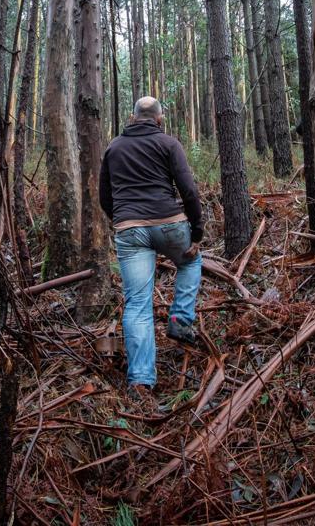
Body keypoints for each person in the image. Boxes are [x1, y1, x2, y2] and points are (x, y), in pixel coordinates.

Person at [99, 96, 204, 403]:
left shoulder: (114, 147)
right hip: (170, 225)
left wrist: (122, 220)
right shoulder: (169, 143)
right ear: (159, 119)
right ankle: (180, 320)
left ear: (133, 118)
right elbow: (188, 190)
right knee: (190, 263)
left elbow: (105, 196)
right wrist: (197, 232)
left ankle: (141, 381)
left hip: (129, 229)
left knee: (137, 305)